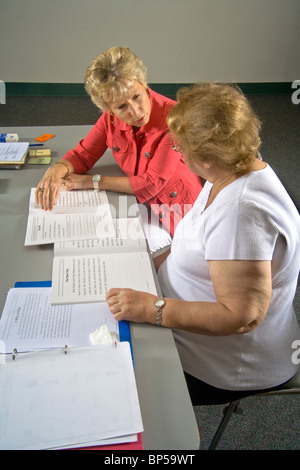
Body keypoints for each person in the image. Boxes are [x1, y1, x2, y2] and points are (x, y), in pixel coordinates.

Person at [106, 82, 300, 405]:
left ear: (208, 158)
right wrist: (148, 264)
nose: (178, 155)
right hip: (184, 315)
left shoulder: (241, 212)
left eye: (180, 149)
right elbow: (196, 240)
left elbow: (242, 317)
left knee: (116, 377)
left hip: (228, 363)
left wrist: (151, 309)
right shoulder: (232, 170)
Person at [35, 47, 203, 252]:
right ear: (108, 109)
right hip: (140, 206)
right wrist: (57, 169)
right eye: (121, 107)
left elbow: (152, 183)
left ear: (144, 83)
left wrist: (92, 181)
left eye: (137, 96)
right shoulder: (110, 119)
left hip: (179, 214)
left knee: (122, 255)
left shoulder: (175, 118)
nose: (135, 111)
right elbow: (84, 154)